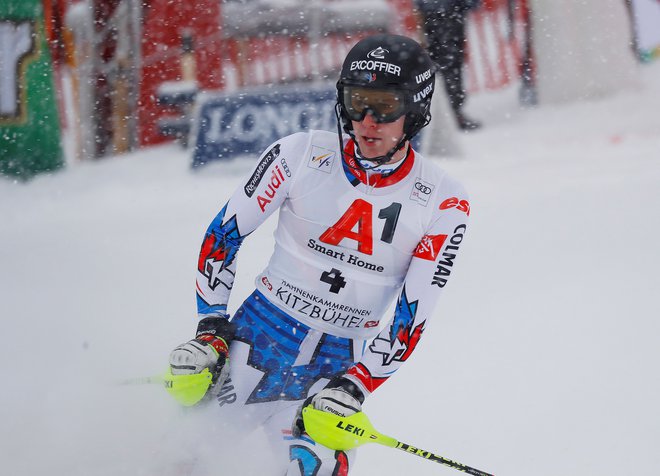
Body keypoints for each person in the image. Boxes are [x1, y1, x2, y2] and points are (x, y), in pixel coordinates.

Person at [169, 33, 470, 475]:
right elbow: (224, 236)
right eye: (356, 102)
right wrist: (211, 327)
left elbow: (411, 316)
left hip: (336, 365)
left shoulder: (445, 202)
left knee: (313, 469)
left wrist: (356, 385)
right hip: (256, 340)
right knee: (180, 462)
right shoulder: (299, 153)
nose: (367, 120)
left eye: (384, 107)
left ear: (416, 111)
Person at [415, 0, 482, 130]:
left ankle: (439, 111)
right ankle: (451, 112)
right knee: (450, 62)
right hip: (448, 10)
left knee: (438, 61)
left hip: (435, 10)